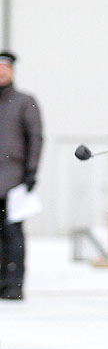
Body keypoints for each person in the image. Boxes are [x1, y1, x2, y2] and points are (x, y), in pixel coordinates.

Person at [0, 51, 42, 301]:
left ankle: (14, 283)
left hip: (13, 180)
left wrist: (31, 172)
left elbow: (35, 138)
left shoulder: (25, 102)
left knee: (12, 232)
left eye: (5, 69)